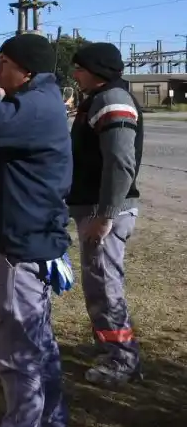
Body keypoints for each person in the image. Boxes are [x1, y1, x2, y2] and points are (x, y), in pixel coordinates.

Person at [0, 33, 73, 427]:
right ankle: (50, 418)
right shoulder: (37, 102)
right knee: (37, 343)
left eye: (2, 62)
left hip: (20, 245)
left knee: (15, 348)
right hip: (26, 238)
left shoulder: (37, 106)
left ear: (26, 69)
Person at [68, 42, 143, 385]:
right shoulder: (96, 99)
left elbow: (120, 163)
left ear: (96, 70)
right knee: (97, 283)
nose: (75, 73)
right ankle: (106, 343)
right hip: (94, 209)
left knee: (105, 285)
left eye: (79, 67)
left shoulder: (113, 100)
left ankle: (122, 359)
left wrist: (106, 213)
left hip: (105, 212)